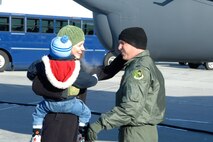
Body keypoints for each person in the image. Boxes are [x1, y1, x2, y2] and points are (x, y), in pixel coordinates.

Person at [86, 27, 166, 142]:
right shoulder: (146, 63)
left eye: (122, 43)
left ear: (134, 44)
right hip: (143, 131)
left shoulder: (139, 70)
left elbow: (130, 109)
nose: (119, 48)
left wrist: (99, 124)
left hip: (136, 134)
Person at [27, 26, 98, 142]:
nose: (83, 48)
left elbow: (31, 72)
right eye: (80, 45)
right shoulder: (73, 68)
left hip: (52, 110)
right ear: (69, 46)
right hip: (60, 123)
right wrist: (94, 79)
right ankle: (82, 132)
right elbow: (88, 80)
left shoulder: (44, 64)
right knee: (86, 113)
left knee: (38, 113)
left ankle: (36, 133)